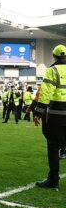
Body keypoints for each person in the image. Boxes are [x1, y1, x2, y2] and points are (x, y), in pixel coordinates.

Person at [33, 45, 66, 189]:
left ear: (54, 56)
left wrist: (38, 112)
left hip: (56, 115)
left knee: (53, 147)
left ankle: (53, 179)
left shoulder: (52, 70)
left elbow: (45, 93)